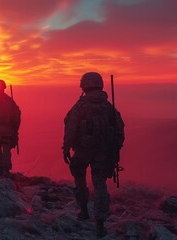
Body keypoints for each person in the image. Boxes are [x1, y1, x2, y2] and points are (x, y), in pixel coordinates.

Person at [62, 72, 125, 237]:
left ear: (84, 86)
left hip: (82, 151)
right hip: (103, 153)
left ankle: (83, 210)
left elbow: (70, 127)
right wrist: (114, 150)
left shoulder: (80, 106)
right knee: (100, 186)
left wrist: (66, 148)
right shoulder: (109, 108)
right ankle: (100, 224)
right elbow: (120, 131)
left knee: (79, 178)